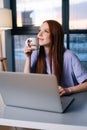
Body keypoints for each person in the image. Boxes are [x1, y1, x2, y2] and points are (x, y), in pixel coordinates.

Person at [24, 19, 87, 96]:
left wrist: (68, 90)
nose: (39, 35)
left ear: (55, 36)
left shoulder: (69, 56)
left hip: (68, 98)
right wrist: (28, 57)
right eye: (39, 30)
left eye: (46, 31)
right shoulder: (35, 53)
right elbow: (26, 81)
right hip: (45, 96)